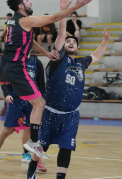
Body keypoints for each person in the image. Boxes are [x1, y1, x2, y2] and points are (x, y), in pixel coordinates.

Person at [0, 0, 92, 160]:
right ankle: (34, 142)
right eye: (27, 0)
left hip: (5, 62)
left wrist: (45, 52)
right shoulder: (26, 20)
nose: (31, 1)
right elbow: (52, 18)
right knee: (40, 103)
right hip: (17, 68)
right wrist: (76, 6)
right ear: (21, 6)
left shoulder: (12, 21)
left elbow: (29, 40)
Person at [26, 14, 110, 179]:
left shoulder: (80, 63)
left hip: (71, 115)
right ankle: (31, 171)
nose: (71, 43)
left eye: (74, 42)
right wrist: (64, 12)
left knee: (66, 148)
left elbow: (96, 56)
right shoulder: (58, 58)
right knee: (41, 147)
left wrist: (105, 41)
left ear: (77, 48)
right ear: (63, 46)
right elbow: (61, 33)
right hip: (50, 112)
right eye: (68, 42)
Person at [0, 54, 47, 173]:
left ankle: (34, 158)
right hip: (15, 100)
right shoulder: (12, 59)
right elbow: (2, 80)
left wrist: (42, 101)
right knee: (7, 130)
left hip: (31, 101)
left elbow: (40, 82)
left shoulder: (36, 62)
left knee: (30, 130)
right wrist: (7, 94)